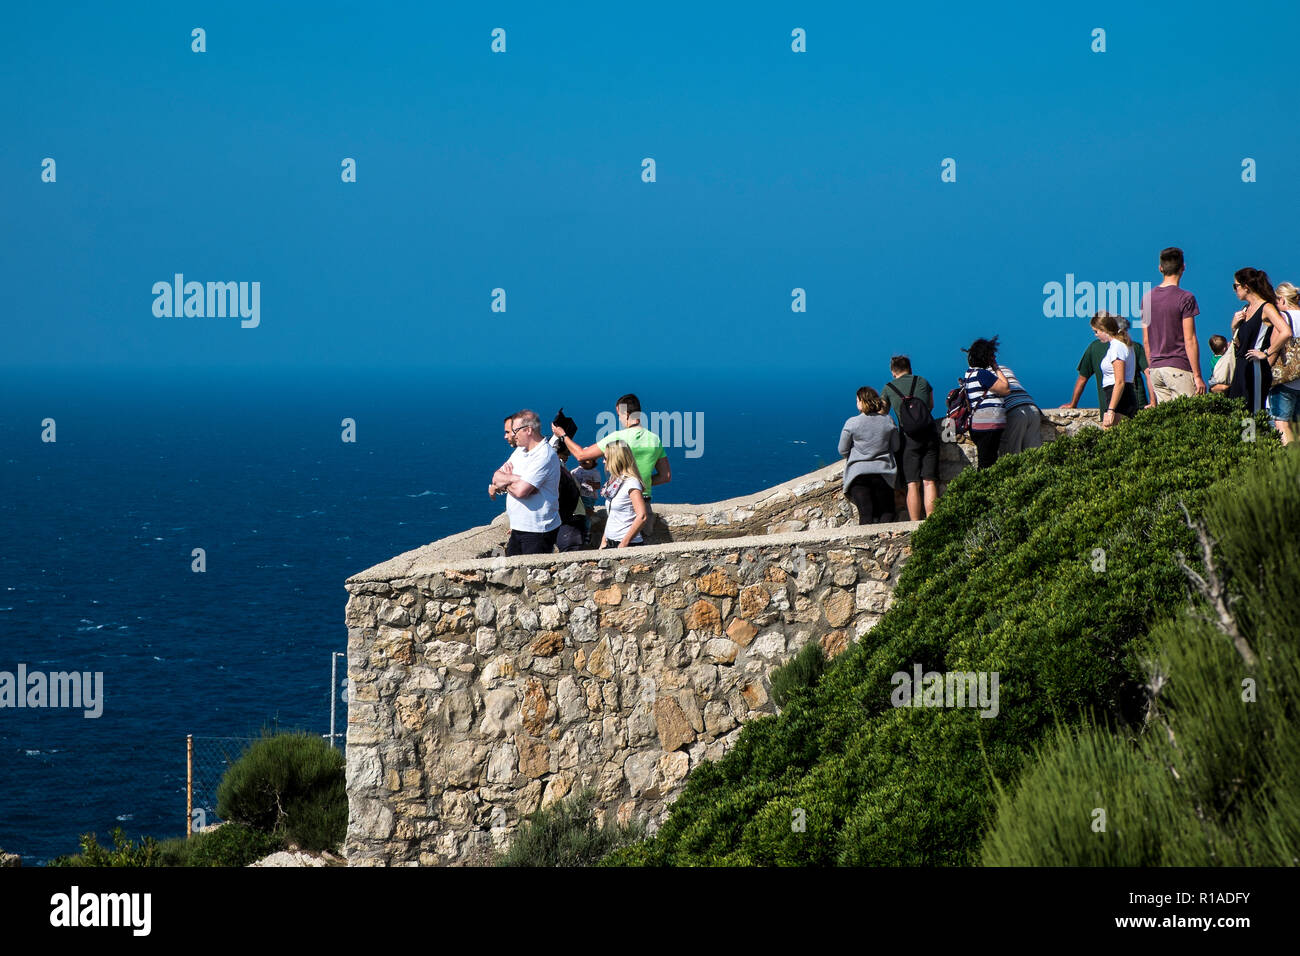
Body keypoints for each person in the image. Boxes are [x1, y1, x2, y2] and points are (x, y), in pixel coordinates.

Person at [555, 393, 670, 534]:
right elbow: (665, 476)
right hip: (644, 504)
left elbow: (581, 456)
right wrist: (640, 482)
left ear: (626, 414)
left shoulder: (618, 438)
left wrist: (563, 435)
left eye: (619, 415)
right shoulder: (654, 439)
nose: (619, 419)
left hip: (621, 505)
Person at [489, 409, 561, 555]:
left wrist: (506, 481)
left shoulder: (544, 455)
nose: (513, 435)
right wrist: (515, 479)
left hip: (537, 530)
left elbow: (522, 491)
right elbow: (496, 476)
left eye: (515, 431)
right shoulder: (520, 451)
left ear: (528, 430)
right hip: (519, 527)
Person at [1141, 246, 1206, 402]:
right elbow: (1189, 339)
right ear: (1183, 267)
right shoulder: (1186, 298)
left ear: (1160, 268)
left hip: (1156, 368)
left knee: (1167, 423)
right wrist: (1197, 376)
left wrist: (1152, 367)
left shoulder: (1147, 298)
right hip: (1178, 367)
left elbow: (1146, 340)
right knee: (1188, 420)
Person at [881, 355, 938, 520]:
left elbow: (882, 413)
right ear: (909, 367)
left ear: (893, 371)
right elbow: (930, 406)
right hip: (930, 434)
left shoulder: (889, 388)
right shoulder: (922, 382)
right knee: (929, 481)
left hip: (907, 438)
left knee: (912, 483)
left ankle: (914, 525)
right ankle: (932, 521)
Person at [1228, 268, 1290, 414]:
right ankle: (1242, 438)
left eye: (1235, 286)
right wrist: (1234, 326)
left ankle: (1252, 438)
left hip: (1255, 367)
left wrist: (1266, 353)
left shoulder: (1266, 307)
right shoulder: (1245, 309)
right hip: (1241, 366)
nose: (1235, 290)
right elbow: (1238, 343)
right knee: (1237, 412)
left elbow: (1286, 332)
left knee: (1252, 413)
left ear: (1246, 287)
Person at [1069, 318, 1154, 416]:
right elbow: (1149, 374)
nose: (1096, 334)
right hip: (1134, 402)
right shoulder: (1132, 346)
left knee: (1111, 429)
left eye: (1096, 331)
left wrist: (1073, 403)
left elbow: (1082, 379)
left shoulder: (1106, 347)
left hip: (1114, 402)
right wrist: (1153, 402)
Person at [839, 386, 899, 525]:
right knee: (887, 512)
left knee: (866, 515)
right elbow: (896, 446)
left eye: (857, 400)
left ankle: (868, 545)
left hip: (858, 476)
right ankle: (885, 544)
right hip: (883, 474)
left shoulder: (852, 423)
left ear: (861, 402)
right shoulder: (888, 420)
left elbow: (842, 450)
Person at [963, 337, 1010, 469]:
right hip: (988, 425)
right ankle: (983, 488)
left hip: (979, 424)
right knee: (986, 464)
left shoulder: (970, 373)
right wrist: (995, 367)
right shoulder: (982, 374)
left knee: (987, 460)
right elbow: (1005, 389)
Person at [1090, 312, 1138, 428]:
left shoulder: (1117, 347)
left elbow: (1120, 381)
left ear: (1104, 329)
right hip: (1119, 398)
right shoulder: (1119, 345)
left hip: (1120, 400)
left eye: (1096, 331)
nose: (1096, 335)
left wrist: (1111, 410)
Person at [1267, 281, 1300, 445]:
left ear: (1281, 299)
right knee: (1297, 427)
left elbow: (1274, 349)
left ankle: (1288, 461)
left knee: (1282, 423)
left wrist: (1264, 369)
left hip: (1285, 380)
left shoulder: (1283, 318)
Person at [599, 440, 647, 548]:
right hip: (610, 542)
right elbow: (612, 515)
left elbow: (642, 516)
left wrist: (623, 544)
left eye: (606, 458)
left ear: (616, 459)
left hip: (627, 544)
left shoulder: (632, 483)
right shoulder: (615, 481)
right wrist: (603, 541)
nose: (603, 461)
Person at [997, 362, 1043, 455]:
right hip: (1032, 409)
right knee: (1035, 456)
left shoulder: (984, 375)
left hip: (1015, 411)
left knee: (1012, 456)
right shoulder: (1005, 368)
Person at [553, 443, 589, 551]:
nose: (567, 457)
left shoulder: (560, 469)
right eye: (565, 454)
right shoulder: (559, 469)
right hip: (570, 518)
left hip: (571, 518)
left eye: (568, 454)